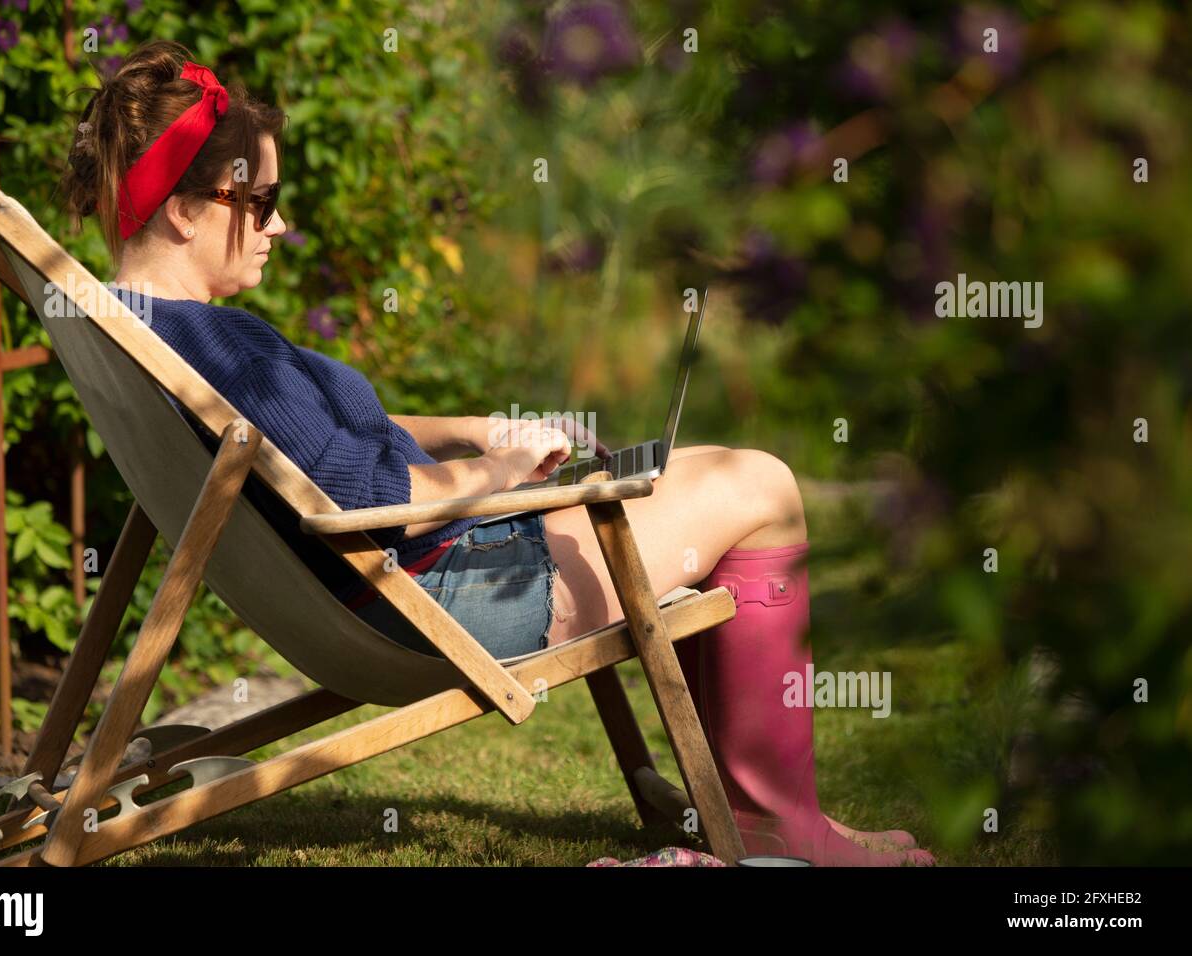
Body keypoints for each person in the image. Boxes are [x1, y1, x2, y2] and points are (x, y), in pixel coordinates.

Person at [60, 39, 934, 866]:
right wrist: (504, 478)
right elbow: (352, 488)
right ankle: (777, 826)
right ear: (182, 209)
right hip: (452, 592)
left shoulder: (149, 330)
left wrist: (481, 429)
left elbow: (323, 448)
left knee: (696, 469)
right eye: (259, 203)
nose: (279, 225)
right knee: (761, 483)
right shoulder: (226, 349)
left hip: (405, 576)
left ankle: (768, 810)